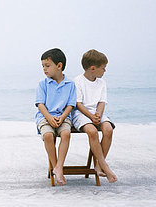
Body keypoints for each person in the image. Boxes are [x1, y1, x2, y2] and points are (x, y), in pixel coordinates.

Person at [71, 49, 118, 183]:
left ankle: (98, 165)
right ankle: (105, 166)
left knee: (108, 129)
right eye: (103, 68)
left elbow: (102, 102)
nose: (104, 71)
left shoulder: (102, 83)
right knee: (92, 132)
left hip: (97, 112)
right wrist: (91, 116)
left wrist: (98, 115)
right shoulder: (78, 81)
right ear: (93, 68)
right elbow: (78, 104)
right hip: (82, 113)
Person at [35, 48, 76, 186]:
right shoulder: (43, 84)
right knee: (48, 136)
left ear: (59, 66)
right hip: (45, 116)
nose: (44, 69)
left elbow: (71, 104)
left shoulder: (70, 84)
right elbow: (40, 104)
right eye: (43, 66)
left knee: (66, 134)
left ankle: (59, 166)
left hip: (63, 117)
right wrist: (49, 118)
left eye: (47, 66)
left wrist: (63, 117)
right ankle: (55, 167)